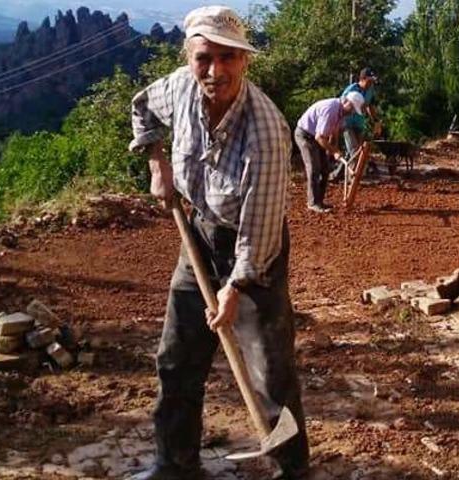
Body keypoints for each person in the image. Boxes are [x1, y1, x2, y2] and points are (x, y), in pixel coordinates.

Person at [127, 5, 309, 479]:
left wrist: (236, 287)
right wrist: (156, 165)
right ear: (190, 56)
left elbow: (260, 231)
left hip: (254, 251)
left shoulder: (266, 131)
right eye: (205, 57)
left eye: (228, 58)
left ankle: (289, 469)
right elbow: (141, 106)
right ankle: (175, 464)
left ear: (245, 61)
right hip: (198, 236)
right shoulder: (180, 88)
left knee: (270, 375)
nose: (216, 71)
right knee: (176, 357)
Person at [294, 91, 365, 213]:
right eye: (352, 108)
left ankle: (320, 201)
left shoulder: (341, 113)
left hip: (317, 137)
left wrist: (334, 148)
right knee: (314, 168)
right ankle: (312, 203)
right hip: (305, 135)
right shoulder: (331, 109)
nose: (352, 112)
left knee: (325, 169)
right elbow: (319, 137)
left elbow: (335, 131)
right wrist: (334, 151)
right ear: (346, 102)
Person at [330, 68, 382, 179]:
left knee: (356, 150)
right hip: (347, 123)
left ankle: (336, 175)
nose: (371, 84)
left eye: (372, 81)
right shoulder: (351, 89)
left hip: (359, 123)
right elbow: (341, 106)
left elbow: (370, 106)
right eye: (369, 81)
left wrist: (376, 121)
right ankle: (353, 178)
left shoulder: (370, 90)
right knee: (353, 149)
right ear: (362, 79)